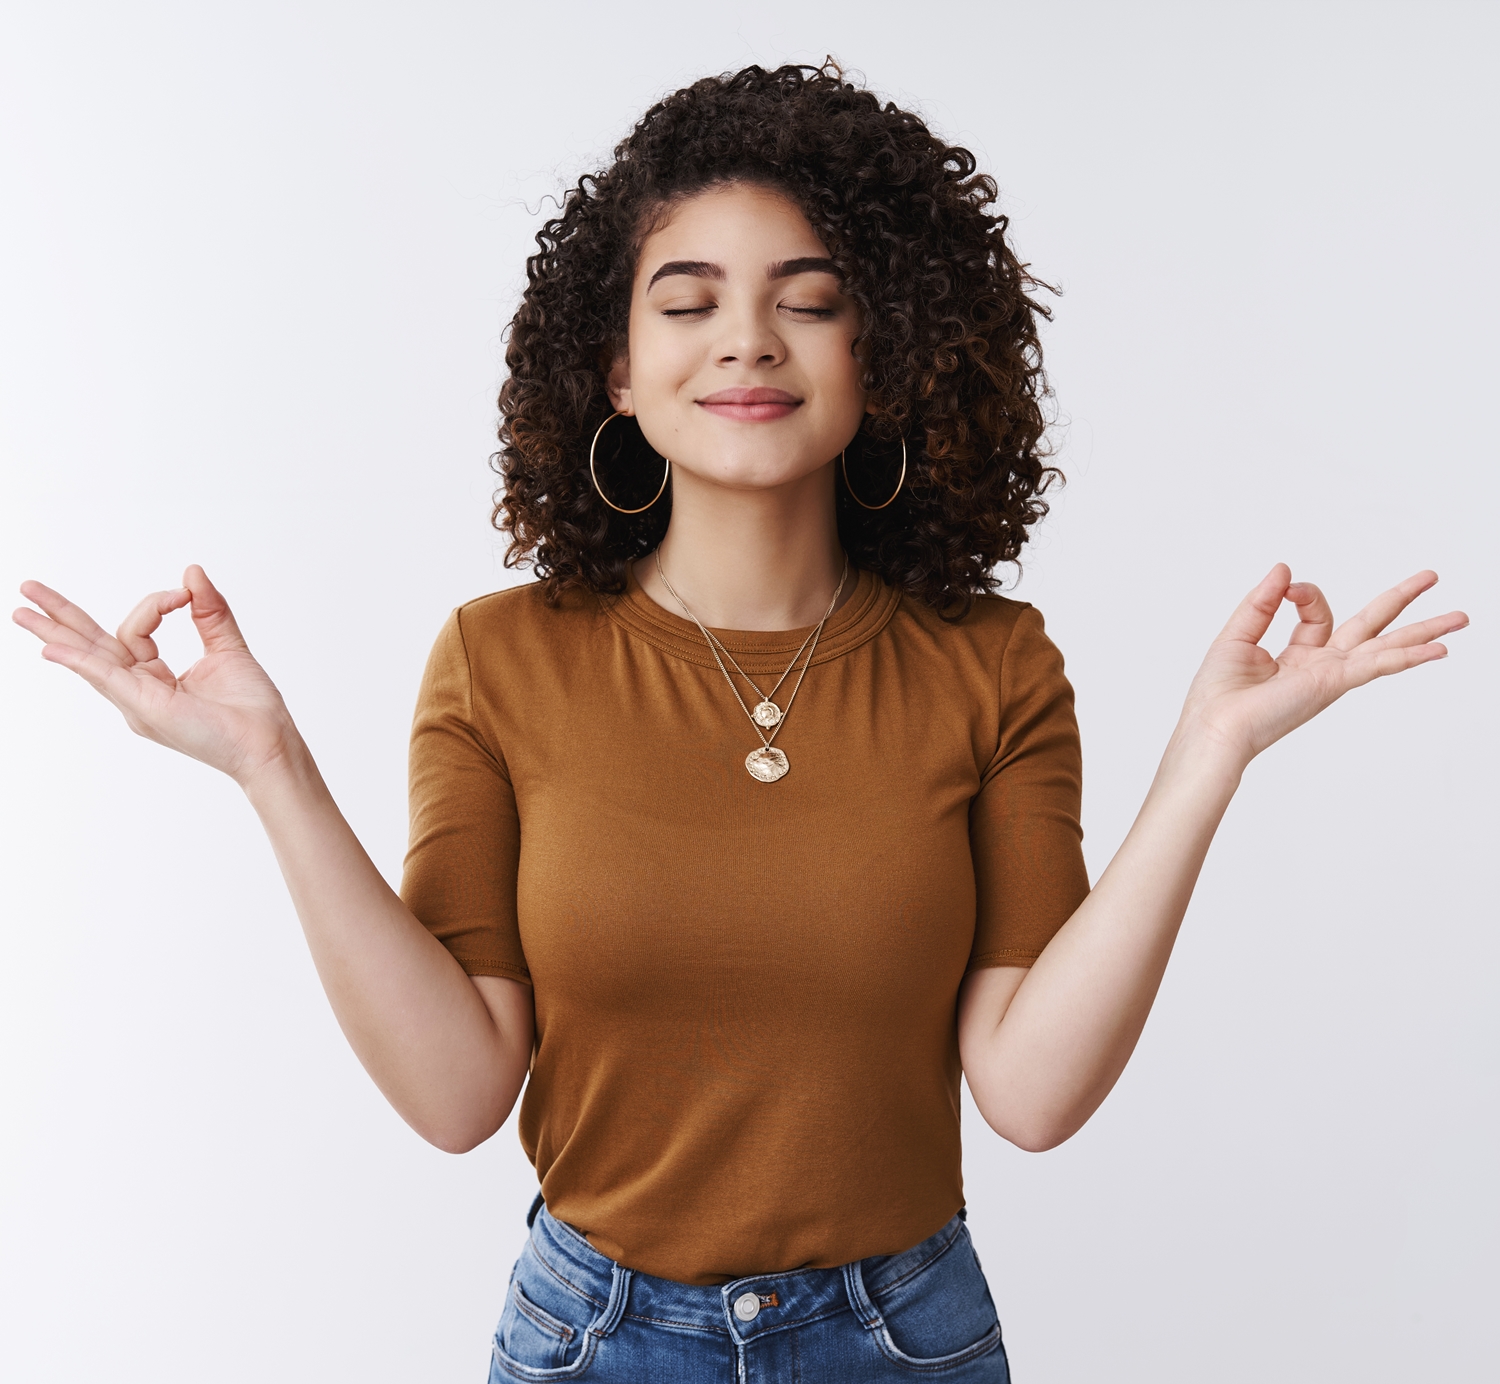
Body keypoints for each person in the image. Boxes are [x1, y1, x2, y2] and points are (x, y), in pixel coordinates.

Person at [13, 63, 1466, 1384]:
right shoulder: (500, 661)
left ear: (883, 348)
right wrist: (270, 767)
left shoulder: (993, 665)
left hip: (906, 1340)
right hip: (594, 1341)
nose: (749, 344)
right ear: (616, 366)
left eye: (810, 299)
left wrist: (1209, 759)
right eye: (689, 301)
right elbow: (460, 1090)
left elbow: (1028, 1090)